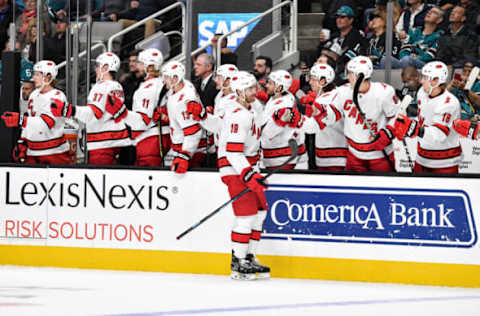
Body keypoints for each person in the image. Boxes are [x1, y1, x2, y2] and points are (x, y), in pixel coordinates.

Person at [216, 71, 269, 280]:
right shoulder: (237, 115)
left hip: (248, 169)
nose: (254, 92)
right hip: (235, 169)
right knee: (246, 216)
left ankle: (248, 256)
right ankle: (238, 262)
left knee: (260, 213)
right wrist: (248, 174)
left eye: (254, 87)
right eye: (249, 89)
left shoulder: (252, 110)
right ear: (239, 92)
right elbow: (233, 151)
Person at [314, 56, 399, 172]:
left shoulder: (384, 92)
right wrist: (321, 113)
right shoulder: (343, 91)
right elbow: (333, 114)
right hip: (354, 155)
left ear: (359, 76)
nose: (347, 77)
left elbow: (398, 116)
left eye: (350, 73)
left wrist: (388, 132)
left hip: (380, 156)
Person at [50, 52, 131, 165]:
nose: (96, 69)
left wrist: (67, 109)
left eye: (98, 65)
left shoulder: (101, 87)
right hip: (113, 141)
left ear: (106, 67)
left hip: (102, 144)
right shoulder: (117, 86)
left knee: (98, 179)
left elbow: (93, 113)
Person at [395, 61, 462, 173]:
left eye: (426, 78)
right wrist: (405, 126)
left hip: (444, 163)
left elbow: (438, 135)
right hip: (422, 158)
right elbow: (424, 119)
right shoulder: (422, 92)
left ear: (436, 81)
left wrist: (412, 128)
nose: (421, 81)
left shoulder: (449, 103)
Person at [1, 60, 71, 164]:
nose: (33, 78)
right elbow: (29, 122)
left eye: (37, 75)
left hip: (54, 153)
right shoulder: (34, 95)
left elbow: (47, 123)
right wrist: (23, 141)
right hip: (32, 152)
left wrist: (20, 120)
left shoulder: (58, 96)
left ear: (48, 77)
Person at [105, 48, 167, 167]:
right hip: (150, 137)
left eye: (140, 63)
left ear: (149, 66)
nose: (136, 66)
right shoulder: (158, 83)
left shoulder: (149, 87)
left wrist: (119, 110)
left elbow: (143, 120)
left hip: (150, 139)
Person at [300, 63, 347, 171]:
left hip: (331, 154)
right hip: (340, 151)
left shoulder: (323, 99)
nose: (310, 82)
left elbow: (311, 128)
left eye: (313, 79)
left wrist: (295, 117)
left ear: (323, 81)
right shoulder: (337, 93)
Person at [161, 60, 205, 173]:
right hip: (180, 146)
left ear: (175, 78)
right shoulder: (182, 85)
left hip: (189, 150)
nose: (163, 80)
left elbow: (193, 131)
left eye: (166, 77)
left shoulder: (185, 100)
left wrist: (185, 155)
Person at [261, 70, 307, 169]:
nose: (266, 85)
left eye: (270, 83)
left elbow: (269, 133)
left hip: (282, 157)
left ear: (279, 87)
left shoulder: (283, 105)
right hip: (280, 154)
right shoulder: (280, 97)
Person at [317, 6, 368, 85]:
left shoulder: (357, 36)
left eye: (342, 17)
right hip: (323, 69)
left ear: (351, 20)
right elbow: (320, 52)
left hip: (342, 74)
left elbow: (348, 58)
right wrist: (322, 42)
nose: (339, 20)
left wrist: (331, 56)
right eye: (337, 17)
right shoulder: (333, 35)